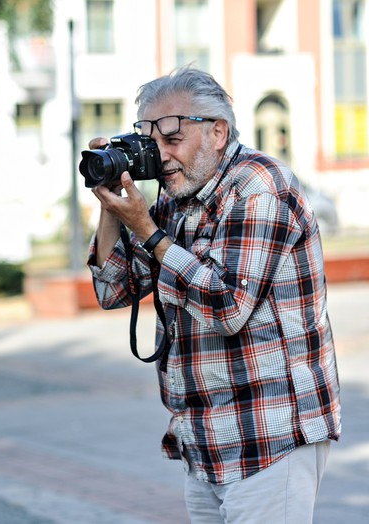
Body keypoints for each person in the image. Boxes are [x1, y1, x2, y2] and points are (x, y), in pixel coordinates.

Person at [87, 66, 341, 523]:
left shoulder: (259, 187)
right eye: (148, 140)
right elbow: (113, 289)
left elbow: (228, 307)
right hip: (204, 440)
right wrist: (111, 205)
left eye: (172, 138)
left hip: (270, 433)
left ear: (217, 132)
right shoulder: (174, 197)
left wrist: (146, 229)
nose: (160, 155)